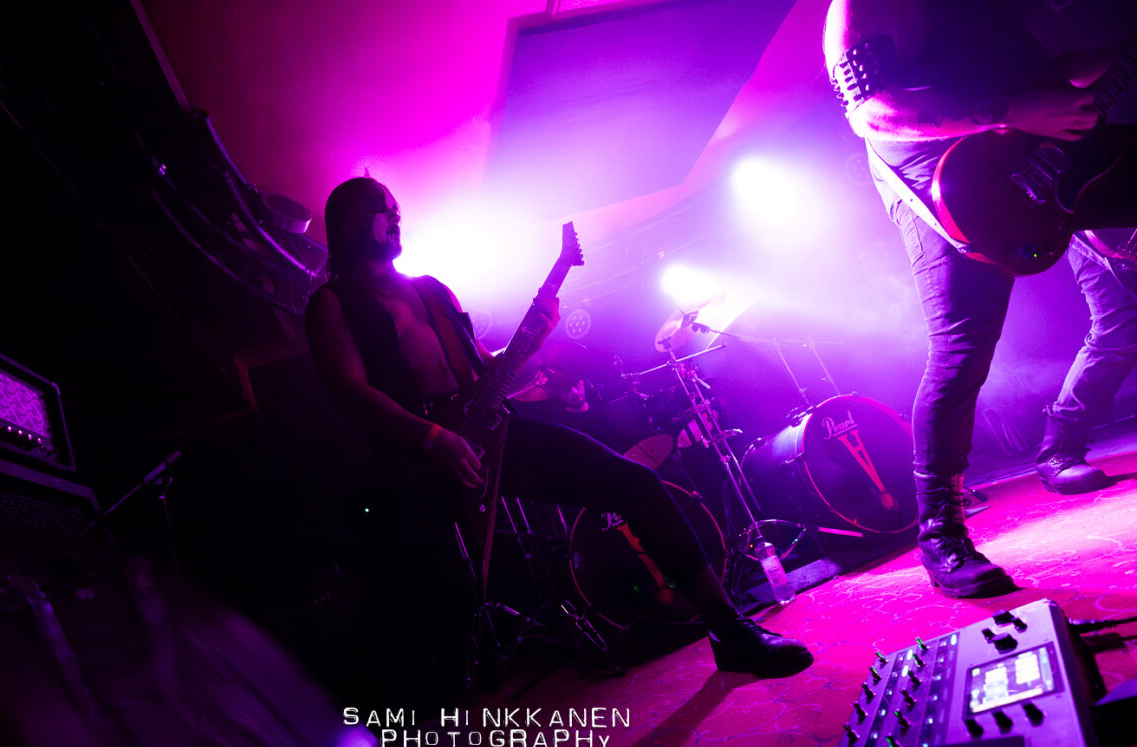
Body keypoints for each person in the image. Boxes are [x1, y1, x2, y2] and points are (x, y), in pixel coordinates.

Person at [304, 176, 812, 682]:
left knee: (635, 483)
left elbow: (483, 370)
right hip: (414, 462)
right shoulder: (332, 303)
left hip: (489, 436)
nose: (395, 216)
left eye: (396, 207)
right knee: (442, 593)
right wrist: (432, 438)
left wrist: (536, 339)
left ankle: (729, 630)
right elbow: (350, 391)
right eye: (382, 208)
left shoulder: (431, 291)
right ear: (350, 222)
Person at [823, 0, 1137, 598]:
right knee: (962, 354)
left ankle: (1058, 450)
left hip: (1031, 144)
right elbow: (871, 111)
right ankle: (941, 533)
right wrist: (1014, 110)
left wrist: (1108, 60)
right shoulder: (862, 6)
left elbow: (1034, 71)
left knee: (1120, 309)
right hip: (948, 177)